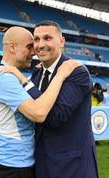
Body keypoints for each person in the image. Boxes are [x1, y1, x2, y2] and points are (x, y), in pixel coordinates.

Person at [0, 26, 80, 178]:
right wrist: (60, 74)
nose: (34, 52)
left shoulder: (10, 75)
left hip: (17, 164)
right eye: (29, 46)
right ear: (12, 47)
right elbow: (39, 113)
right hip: (13, 168)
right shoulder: (5, 78)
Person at [27, 21, 98, 178]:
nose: (40, 45)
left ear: (61, 42)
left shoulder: (77, 72)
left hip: (72, 166)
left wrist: (23, 82)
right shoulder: (37, 72)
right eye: (36, 39)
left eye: (47, 38)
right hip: (41, 162)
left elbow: (54, 117)